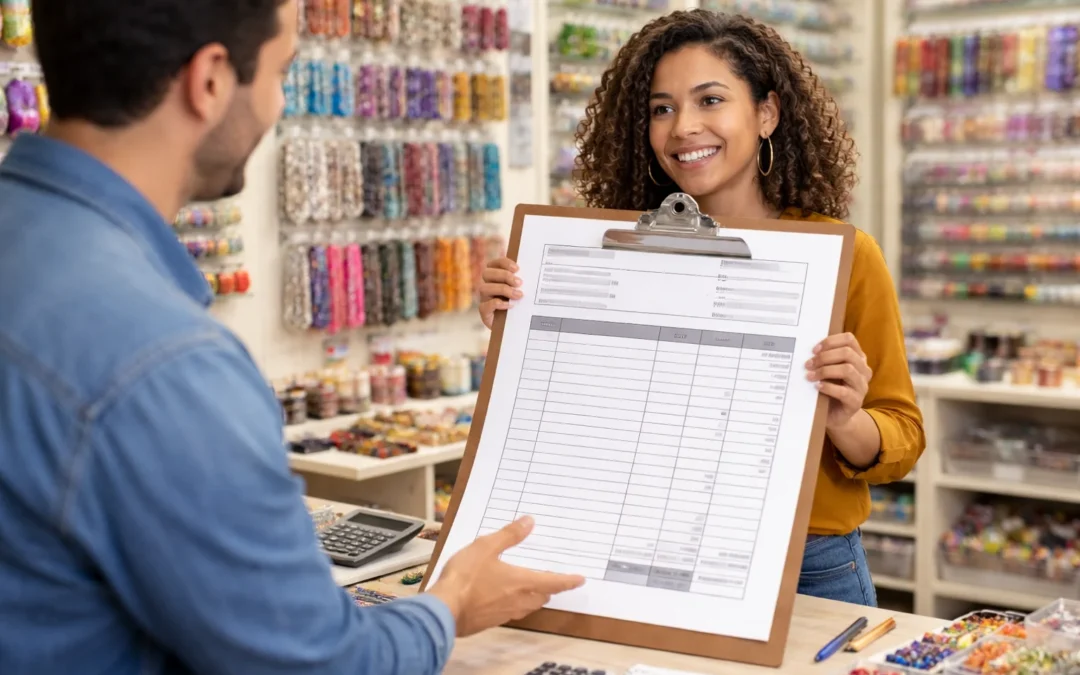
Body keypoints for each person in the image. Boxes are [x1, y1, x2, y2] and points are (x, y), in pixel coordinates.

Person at [0, 1, 584, 674]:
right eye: (283, 70)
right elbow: (316, 664)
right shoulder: (164, 362)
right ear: (211, 80)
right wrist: (449, 606)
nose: (279, 103)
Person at [478, 10, 925, 608]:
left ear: (766, 114)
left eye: (710, 100)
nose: (683, 126)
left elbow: (902, 437)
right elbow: (593, 416)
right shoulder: (615, 254)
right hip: (643, 550)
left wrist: (843, 420)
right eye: (661, 109)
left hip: (808, 567)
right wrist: (519, 327)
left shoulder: (842, 256)